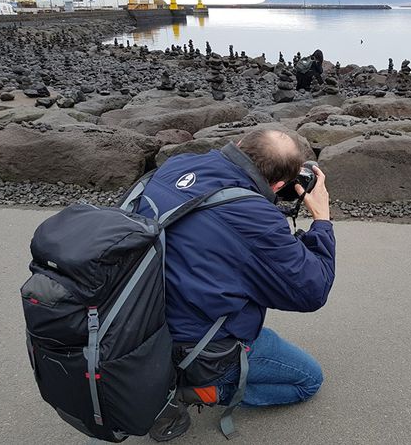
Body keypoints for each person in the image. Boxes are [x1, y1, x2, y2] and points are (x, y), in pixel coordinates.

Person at [139, 129, 336, 441]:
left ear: (241, 144)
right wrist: (321, 221)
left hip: (141, 323)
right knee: (307, 380)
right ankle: (200, 389)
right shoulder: (255, 219)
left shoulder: (177, 166)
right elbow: (313, 290)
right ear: (279, 186)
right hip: (198, 344)